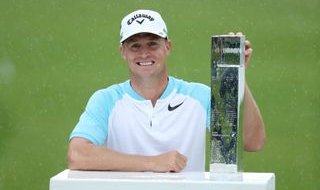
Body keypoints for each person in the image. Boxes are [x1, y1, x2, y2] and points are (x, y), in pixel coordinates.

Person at [67, 9, 265, 172]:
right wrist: (153, 163)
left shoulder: (199, 96)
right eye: (135, 46)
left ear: (167, 46)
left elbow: (252, 142)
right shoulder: (106, 100)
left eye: (153, 44)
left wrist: (237, 76)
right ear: (123, 52)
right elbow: (77, 155)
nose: (144, 53)